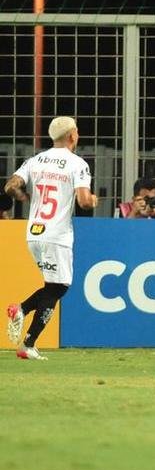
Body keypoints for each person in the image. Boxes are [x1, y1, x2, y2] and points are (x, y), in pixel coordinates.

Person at [5, 117, 99, 360]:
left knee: (53, 287)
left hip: (33, 233)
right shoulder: (78, 164)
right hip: (57, 234)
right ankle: (25, 327)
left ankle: (25, 330)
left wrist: (22, 195)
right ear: (72, 136)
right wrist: (94, 200)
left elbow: (10, 186)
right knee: (59, 287)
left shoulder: (34, 160)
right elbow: (84, 201)